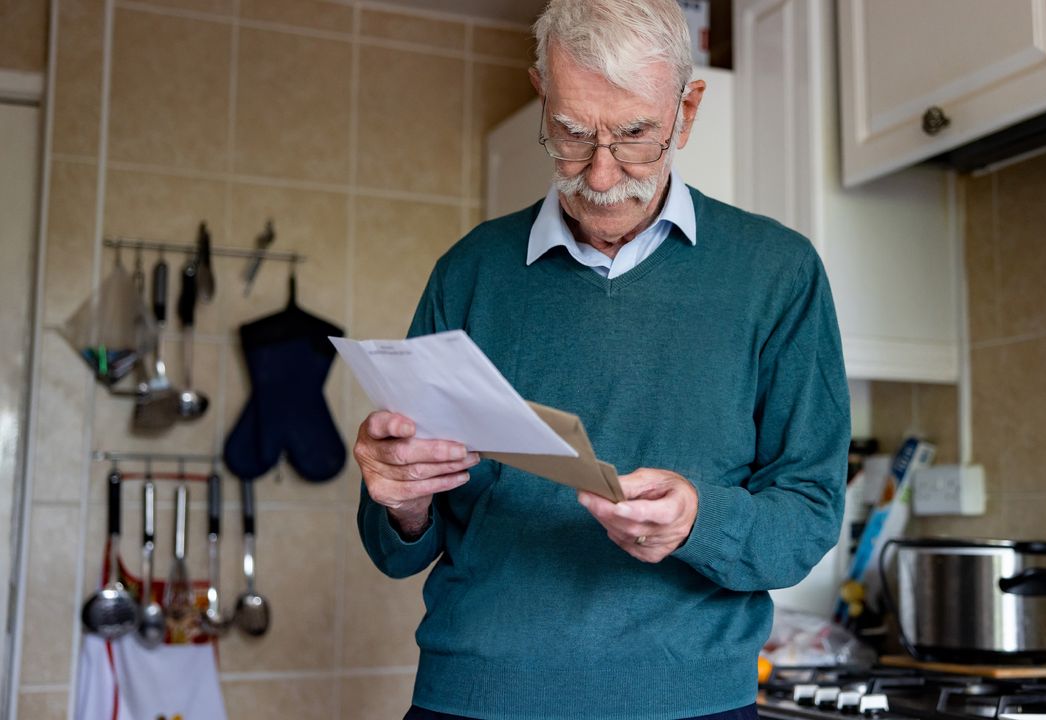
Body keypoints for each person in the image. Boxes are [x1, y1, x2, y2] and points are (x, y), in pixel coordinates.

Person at [352, 1, 851, 718]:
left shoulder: (779, 274)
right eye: (571, 133)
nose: (603, 172)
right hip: (472, 699)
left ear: (687, 110)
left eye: (636, 134)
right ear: (541, 96)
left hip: (690, 705)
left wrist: (696, 522)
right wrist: (401, 500)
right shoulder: (470, 272)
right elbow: (395, 549)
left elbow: (806, 516)